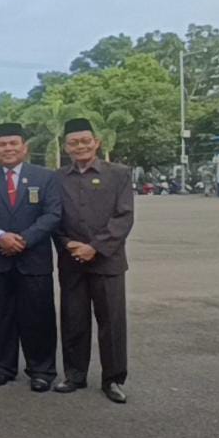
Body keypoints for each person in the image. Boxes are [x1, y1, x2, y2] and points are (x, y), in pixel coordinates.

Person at [0, 123, 62, 391]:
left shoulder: (45, 177)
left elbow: (52, 214)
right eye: (2, 144)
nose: (8, 149)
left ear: (24, 147)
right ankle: (4, 366)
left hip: (33, 258)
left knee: (38, 316)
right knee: (0, 315)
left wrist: (24, 239)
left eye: (13, 144)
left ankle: (41, 370)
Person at [53, 118, 134, 403]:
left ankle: (113, 379)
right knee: (74, 319)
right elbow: (54, 219)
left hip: (107, 262)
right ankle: (74, 375)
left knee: (111, 323)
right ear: (65, 147)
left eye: (85, 141)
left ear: (96, 142)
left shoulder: (119, 174)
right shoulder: (58, 178)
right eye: (73, 142)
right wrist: (67, 244)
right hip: (72, 259)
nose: (80, 146)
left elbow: (123, 217)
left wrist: (95, 248)